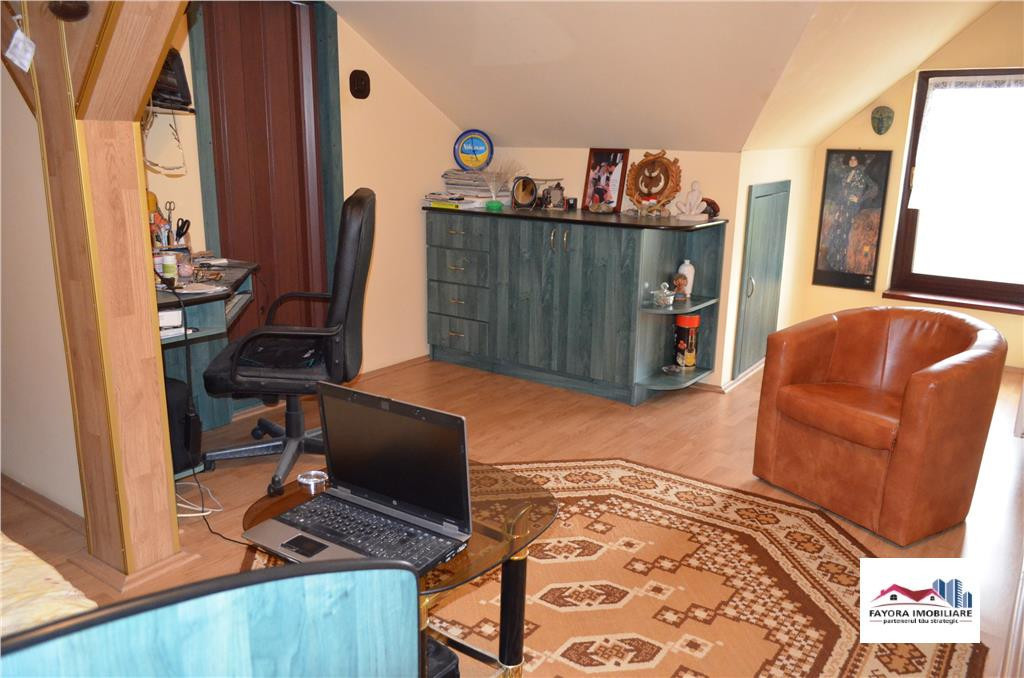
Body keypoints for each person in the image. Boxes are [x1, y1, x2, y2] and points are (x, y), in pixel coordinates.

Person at [824, 154, 878, 271]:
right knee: (836, 231)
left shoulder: (862, 175)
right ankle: (833, 262)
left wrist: (860, 198)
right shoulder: (846, 174)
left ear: (859, 161)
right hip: (842, 206)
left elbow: (874, 188)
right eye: (850, 159)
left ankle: (842, 265)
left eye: (855, 159)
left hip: (852, 207)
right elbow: (841, 191)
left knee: (845, 232)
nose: (852, 161)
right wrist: (838, 205)